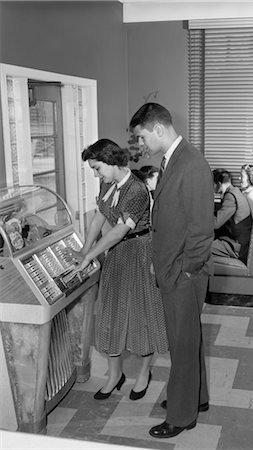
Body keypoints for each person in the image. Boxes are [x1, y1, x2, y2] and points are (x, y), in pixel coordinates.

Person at [129, 103, 214, 439]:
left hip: (184, 273)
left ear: (158, 129)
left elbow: (201, 230)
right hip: (174, 268)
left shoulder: (191, 164)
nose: (141, 144)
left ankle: (181, 415)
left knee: (180, 343)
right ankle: (198, 398)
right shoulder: (173, 161)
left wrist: (186, 272)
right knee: (189, 339)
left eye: (142, 136)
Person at [65, 138, 168, 402]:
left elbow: (121, 229)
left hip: (140, 253)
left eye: (97, 167)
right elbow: (99, 219)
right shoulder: (107, 184)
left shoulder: (136, 189)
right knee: (111, 313)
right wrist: (83, 251)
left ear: (112, 161)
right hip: (117, 254)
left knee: (140, 315)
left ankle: (144, 373)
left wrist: (90, 256)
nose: (96, 173)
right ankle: (114, 375)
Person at [212, 169, 252, 264]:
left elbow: (216, 223)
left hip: (237, 246)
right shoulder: (236, 191)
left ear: (218, 184)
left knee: (200, 248)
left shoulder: (230, 196)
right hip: (238, 242)